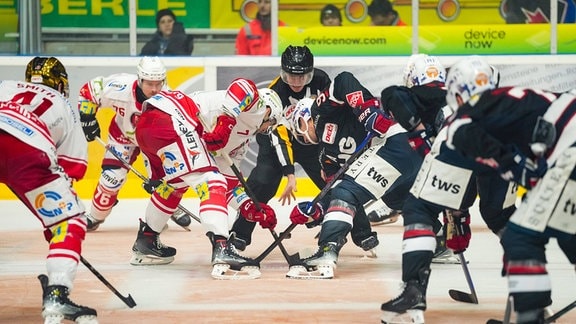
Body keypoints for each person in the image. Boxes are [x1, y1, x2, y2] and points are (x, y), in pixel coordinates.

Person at [378, 56, 515, 324]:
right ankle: (532, 302)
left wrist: (416, 130)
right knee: (500, 216)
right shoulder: (511, 101)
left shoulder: (431, 93)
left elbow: (393, 94)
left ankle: (414, 290)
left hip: (458, 151)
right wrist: (459, 213)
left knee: (419, 208)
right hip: (504, 153)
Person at [441, 56, 576, 323]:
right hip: (564, 150)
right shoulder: (517, 100)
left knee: (519, 237)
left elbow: (483, 155)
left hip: (567, 155)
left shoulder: (466, 116)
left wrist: (456, 212)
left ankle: (531, 315)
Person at [230, 45, 381, 255]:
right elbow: (278, 134)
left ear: (311, 72)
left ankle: (362, 233)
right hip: (278, 143)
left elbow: (334, 110)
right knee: (261, 182)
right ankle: (239, 234)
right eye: (291, 75)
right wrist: (289, 173)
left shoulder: (321, 80)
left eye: (302, 76)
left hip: (314, 143)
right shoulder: (275, 91)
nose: (296, 81)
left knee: (337, 181)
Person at [131, 78, 281, 279]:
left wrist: (249, 208)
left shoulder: (240, 144)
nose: (265, 130)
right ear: (271, 115)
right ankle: (221, 247)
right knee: (212, 182)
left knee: (174, 186)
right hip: (172, 117)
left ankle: (147, 240)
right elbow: (242, 85)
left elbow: (229, 185)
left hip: (150, 125)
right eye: (270, 125)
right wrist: (226, 123)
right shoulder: (260, 108)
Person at [284, 71, 423, 279]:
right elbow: (339, 199)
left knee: (345, 191)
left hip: (395, 139)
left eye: (299, 130)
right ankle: (438, 239)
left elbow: (343, 79)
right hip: (408, 157)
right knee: (397, 199)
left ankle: (327, 250)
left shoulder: (320, 110)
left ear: (304, 118)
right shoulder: (326, 157)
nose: (302, 138)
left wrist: (367, 111)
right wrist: (317, 210)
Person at [0, 57, 97, 322]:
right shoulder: (63, 104)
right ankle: (57, 295)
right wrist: (55, 224)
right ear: (61, 83)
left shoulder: (6, 85)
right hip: (28, 150)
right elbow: (72, 168)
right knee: (71, 221)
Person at [78, 56, 184, 231]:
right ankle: (95, 216)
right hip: (123, 135)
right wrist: (87, 118)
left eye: (159, 83)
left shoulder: (169, 99)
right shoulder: (119, 87)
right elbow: (89, 90)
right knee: (111, 179)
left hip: (152, 143)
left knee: (167, 179)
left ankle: (168, 207)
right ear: (139, 79)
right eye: (149, 83)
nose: (155, 89)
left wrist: (158, 177)